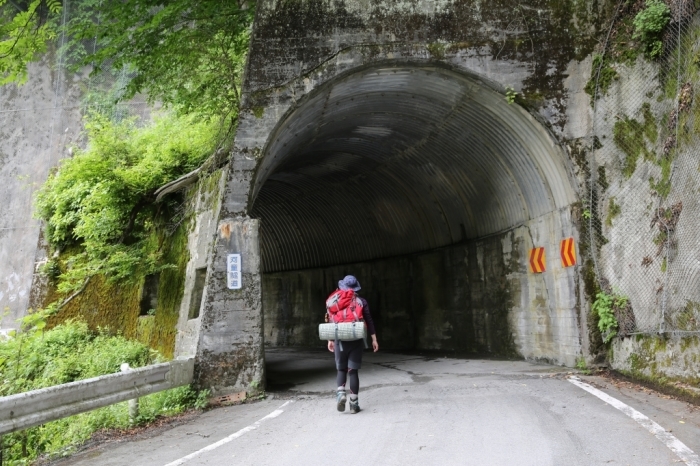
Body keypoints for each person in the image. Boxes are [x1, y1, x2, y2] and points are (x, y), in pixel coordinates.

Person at [327, 275, 378, 414]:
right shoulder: (362, 302)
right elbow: (369, 320)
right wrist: (374, 339)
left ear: (342, 286)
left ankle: (341, 393)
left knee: (341, 370)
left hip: (340, 340)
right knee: (353, 371)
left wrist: (330, 340)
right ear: (356, 288)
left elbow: (331, 320)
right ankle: (354, 404)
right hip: (356, 340)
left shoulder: (336, 301)